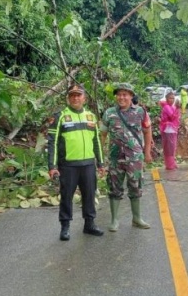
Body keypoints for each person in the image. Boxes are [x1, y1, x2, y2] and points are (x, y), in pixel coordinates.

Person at [47, 83, 106, 241]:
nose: (75, 98)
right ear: (68, 98)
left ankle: (89, 224)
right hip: (68, 166)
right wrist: (52, 166)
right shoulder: (60, 117)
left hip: (88, 165)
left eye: (78, 95)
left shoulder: (91, 117)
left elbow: (96, 143)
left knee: (89, 195)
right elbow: (52, 142)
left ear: (84, 98)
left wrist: (100, 163)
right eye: (72, 95)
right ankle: (65, 226)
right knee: (66, 196)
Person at [100, 83, 153, 232]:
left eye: (125, 94)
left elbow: (148, 132)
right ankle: (114, 220)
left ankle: (137, 218)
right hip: (115, 158)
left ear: (131, 96)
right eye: (119, 94)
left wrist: (147, 152)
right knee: (114, 188)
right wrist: (100, 156)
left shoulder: (141, 112)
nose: (121, 97)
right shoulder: (109, 113)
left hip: (135, 158)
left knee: (135, 187)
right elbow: (102, 135)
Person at [159, 91, 180, 170]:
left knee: (172, 147)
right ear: (167, 99)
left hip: (172, 129)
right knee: (169, 148)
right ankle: (169, 165)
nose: (172, 100)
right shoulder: (167, 107)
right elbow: (172, 117)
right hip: (168, 130)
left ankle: (172, 163)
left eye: (173, 98)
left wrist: (177, 108)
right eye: (170, 98)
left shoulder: (172, 107)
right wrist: (177, 108)